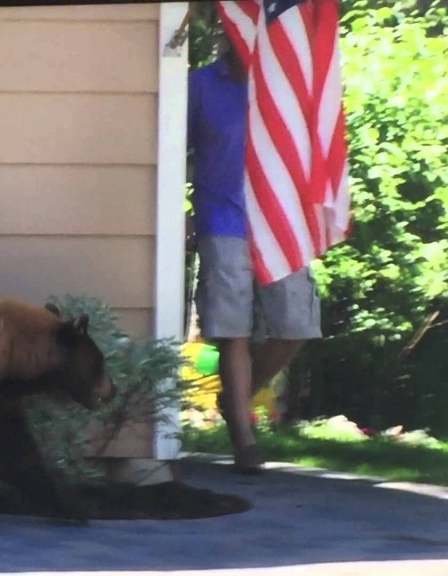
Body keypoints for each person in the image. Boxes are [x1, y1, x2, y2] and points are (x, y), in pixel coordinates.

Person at [186, 40, 323, 475]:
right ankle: (244, 441)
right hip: (222, 220)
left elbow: (310, 150)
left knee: (296, 324)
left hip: (279, 221)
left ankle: (235, 398)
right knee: (233, 330)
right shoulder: (201, 87)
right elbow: (173, 153)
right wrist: (183, 216)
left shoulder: (284, 87)